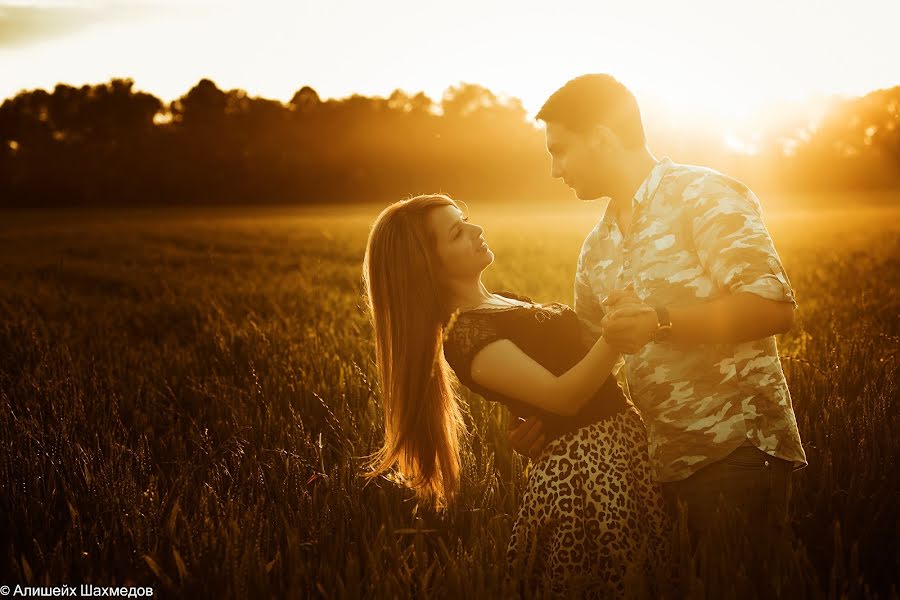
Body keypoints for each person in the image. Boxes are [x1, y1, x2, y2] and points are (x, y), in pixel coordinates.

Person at [509, 74, 808, 592]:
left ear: (602, 137)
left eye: (560, 151)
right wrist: (543, 420)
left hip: (735, 454)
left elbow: (773, 307)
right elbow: (588, 358)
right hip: (649, 469)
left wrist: (660, 322)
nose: (555, 170)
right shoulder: (597, 246)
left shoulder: (704, 194)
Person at [362, 194, 673, 598]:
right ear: (428, 265)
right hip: (585, 474)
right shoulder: (468, 337)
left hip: (621, 445)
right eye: (458, 233)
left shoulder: (504, 303)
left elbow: (577, 362)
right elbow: (562, 399)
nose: (476, 231)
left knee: (654, 573)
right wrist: (615, 339)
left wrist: (622, 315)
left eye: (467, 219)